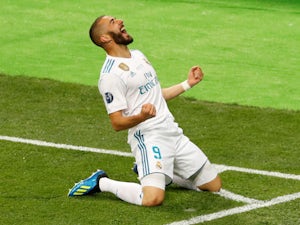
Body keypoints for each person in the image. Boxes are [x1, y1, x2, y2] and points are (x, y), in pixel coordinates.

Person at [68, 15, 222, 206]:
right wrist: (141, 116)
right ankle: (102, 182)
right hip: (149, 137)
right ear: (105, 39)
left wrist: (187, 84)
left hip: (173, 132)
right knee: (152, 199)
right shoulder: (110, 76)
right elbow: (116, 123)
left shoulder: (138, 55)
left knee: (213, 185)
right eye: (113, 22)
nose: (121, 21)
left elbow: (156, 95)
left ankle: (156, 172)